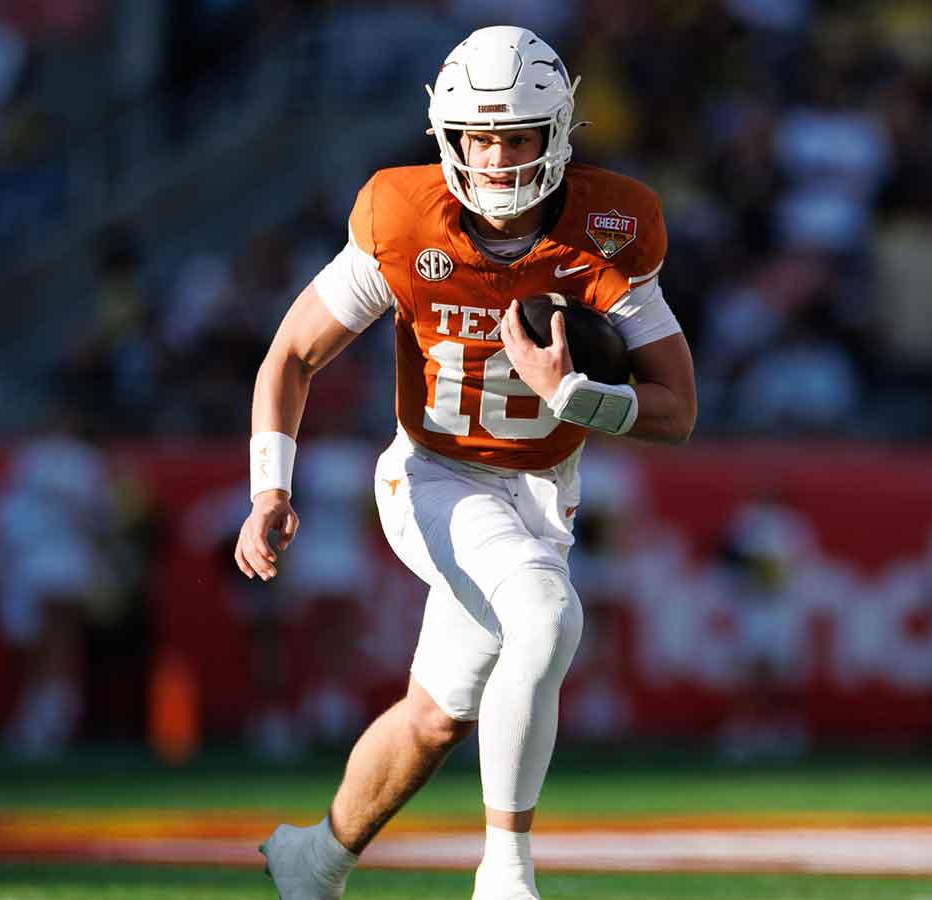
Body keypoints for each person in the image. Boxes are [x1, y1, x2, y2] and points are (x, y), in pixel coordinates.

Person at [234, 26, 696, 900]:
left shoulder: (609, 228)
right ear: (446, 135)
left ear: (558, 133)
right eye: (477, 136)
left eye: (515, 134)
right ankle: (506, 872)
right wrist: (270, 487)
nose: (493, 156)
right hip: (434, 474)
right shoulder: (404, 221)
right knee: (547, 616)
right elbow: (292, 354)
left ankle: (313, 860)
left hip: (543, 487)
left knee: (436, 719)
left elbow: (677, 408)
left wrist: (581, 399)